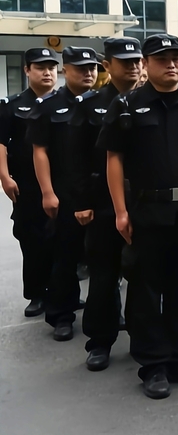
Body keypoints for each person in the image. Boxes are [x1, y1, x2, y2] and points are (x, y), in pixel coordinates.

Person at [98, 33, 178, 400]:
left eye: (177, 58)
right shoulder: (127, 105)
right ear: (146, 64)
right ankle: (152, 365)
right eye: (162, 58)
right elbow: (114, 160)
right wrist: (120, 211)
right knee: (146, 292)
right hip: (147, 211)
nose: (171, 64)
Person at [71, 38, 142, 370]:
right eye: (123, 61)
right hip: (101, 204)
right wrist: (82, 201)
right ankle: (100, 340)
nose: (132, 66)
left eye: (136, 60)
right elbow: (77, 157)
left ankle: (144, 339)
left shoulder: (153, 101)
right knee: (103, 275)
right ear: (107, 66)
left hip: (144, 203)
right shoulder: (89, 105)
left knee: (143, 276)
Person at [29, 47, 98, 341]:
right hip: (64, 193)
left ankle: (105, 311)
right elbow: (40, 151)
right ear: (65, 70)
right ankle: (62, 315)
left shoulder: (104, 103)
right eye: (80, 68)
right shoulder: (48, 105)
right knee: (65, 256)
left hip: (100, 193)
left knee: (104, 259)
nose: (88, 73)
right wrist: (47, 192)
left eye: (92, 68)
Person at [0, 48, 60, 318]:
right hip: (26, 183)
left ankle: (61, 292)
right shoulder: (12, 105)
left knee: (61, 239)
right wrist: (4, 176)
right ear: (27, 71)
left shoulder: (65, 103)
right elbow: (0, 143)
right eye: (40, 67)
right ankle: (37, 293)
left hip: (61, 181)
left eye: (52, 67)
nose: (47, 72)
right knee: (31, 237)